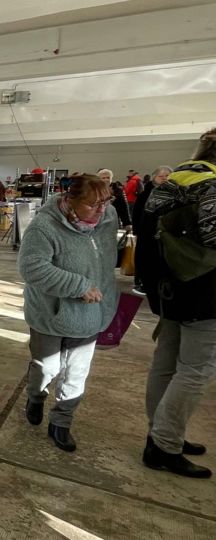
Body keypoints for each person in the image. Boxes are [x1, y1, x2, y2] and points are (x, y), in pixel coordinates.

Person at [136, 128, 216, 478]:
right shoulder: (213, 187)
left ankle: (162, 430)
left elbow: (143, 229)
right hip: (204, 292)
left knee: (166, 361)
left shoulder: (172, 180)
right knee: (196, 370)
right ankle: (164, 445)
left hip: (168, 289)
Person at [19, 174, 118, 452]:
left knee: (77, 373)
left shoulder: (107, 218)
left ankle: (61, 422)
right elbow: (32, 268)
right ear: (70, 201)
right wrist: (79, 285)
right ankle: (36, 396)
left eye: (106, 202)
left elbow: (106, 259)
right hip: (50, 314)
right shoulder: (44, 227)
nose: (102, 210)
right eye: (93, 204)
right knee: (46, 367)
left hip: (90, 314)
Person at [130, 166, 172, 295]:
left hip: (165, 233)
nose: (164, 178)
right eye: (161, 176)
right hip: (146, 232)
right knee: (146, 257)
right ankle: (142, 282)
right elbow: (137, 213)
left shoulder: (173, 192)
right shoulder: (146, 193)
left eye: (167, 176)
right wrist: (136, 230)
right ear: (154, 177)